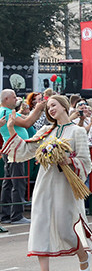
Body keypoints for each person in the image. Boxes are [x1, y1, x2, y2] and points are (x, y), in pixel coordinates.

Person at [3, 95, 92, 271]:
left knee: (66, 227)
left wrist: (68, 161)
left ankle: (83, 255)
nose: (51, 109)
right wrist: (11, 128)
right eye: (48, 107)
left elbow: (86, 162)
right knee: (40, 224)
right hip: (45, 182)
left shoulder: (78, 132)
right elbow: (26, 149)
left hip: (66, 184)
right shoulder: (46, 130)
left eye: (54, 105)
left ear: (64, 106)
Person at [1, 89, 46, 225]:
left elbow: (26, 120)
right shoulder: (6, 112)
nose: (16, 99)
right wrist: (37, 109)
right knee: (18, 182)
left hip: (13, 149)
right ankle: (16, 215)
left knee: (8, 183)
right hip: (15, 150)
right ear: (6, 99)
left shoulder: (6, 112)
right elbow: (27, 123)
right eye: (14, 97)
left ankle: (6, 214)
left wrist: (34, 112)